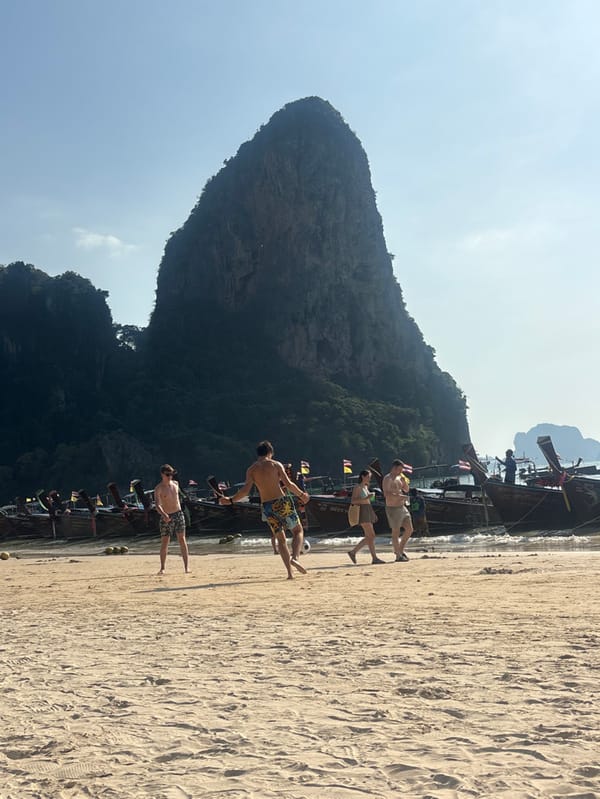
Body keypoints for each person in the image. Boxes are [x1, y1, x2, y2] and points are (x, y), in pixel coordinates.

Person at [219, 441, 310, 579]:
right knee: (298, 531)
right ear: (270, 452)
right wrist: (302, 495)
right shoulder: (275, 464)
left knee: (281, 540)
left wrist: (230, 500)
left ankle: (290, 573)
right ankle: (295, 558)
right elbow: (288, 484)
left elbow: (245, 491)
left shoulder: (251, 469)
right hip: (281, 502)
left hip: (267, 506)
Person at [154, 464, 190, 574]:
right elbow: (157, 504)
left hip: (178, 514)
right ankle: (162, 568)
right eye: (167, 474)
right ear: (162, 474)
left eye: (171, 474)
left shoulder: (176, 484)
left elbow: (179, 498)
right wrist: (164, 514)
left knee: (182, 539)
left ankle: (186, 567)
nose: (170, 476)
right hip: (167, 516)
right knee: (165, 541)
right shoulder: (159, 488)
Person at [348, 469, 385, 565]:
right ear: (363, 477)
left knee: (370, 536)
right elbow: (353, 501)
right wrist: (366, 498)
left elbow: (368, 501)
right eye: (368, 477)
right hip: (362, 511)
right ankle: (357, 553)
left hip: (367, 509)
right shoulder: (358, 487)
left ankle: (370, 556)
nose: (369, 479)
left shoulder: (365, 486)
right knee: (371, 535)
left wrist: (372, 512)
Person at [382, 459, 414, 562]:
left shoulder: (400, 477)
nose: (401, 472)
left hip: (402, 507)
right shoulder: (387, 478)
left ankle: (400, 550)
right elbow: (386, 494)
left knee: (409, 529)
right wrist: (399, 496)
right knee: (396, 531)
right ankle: (398, 555)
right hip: (393, 508)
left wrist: (404, 483)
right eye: (399, 469)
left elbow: (406, 490)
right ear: (394, 468)